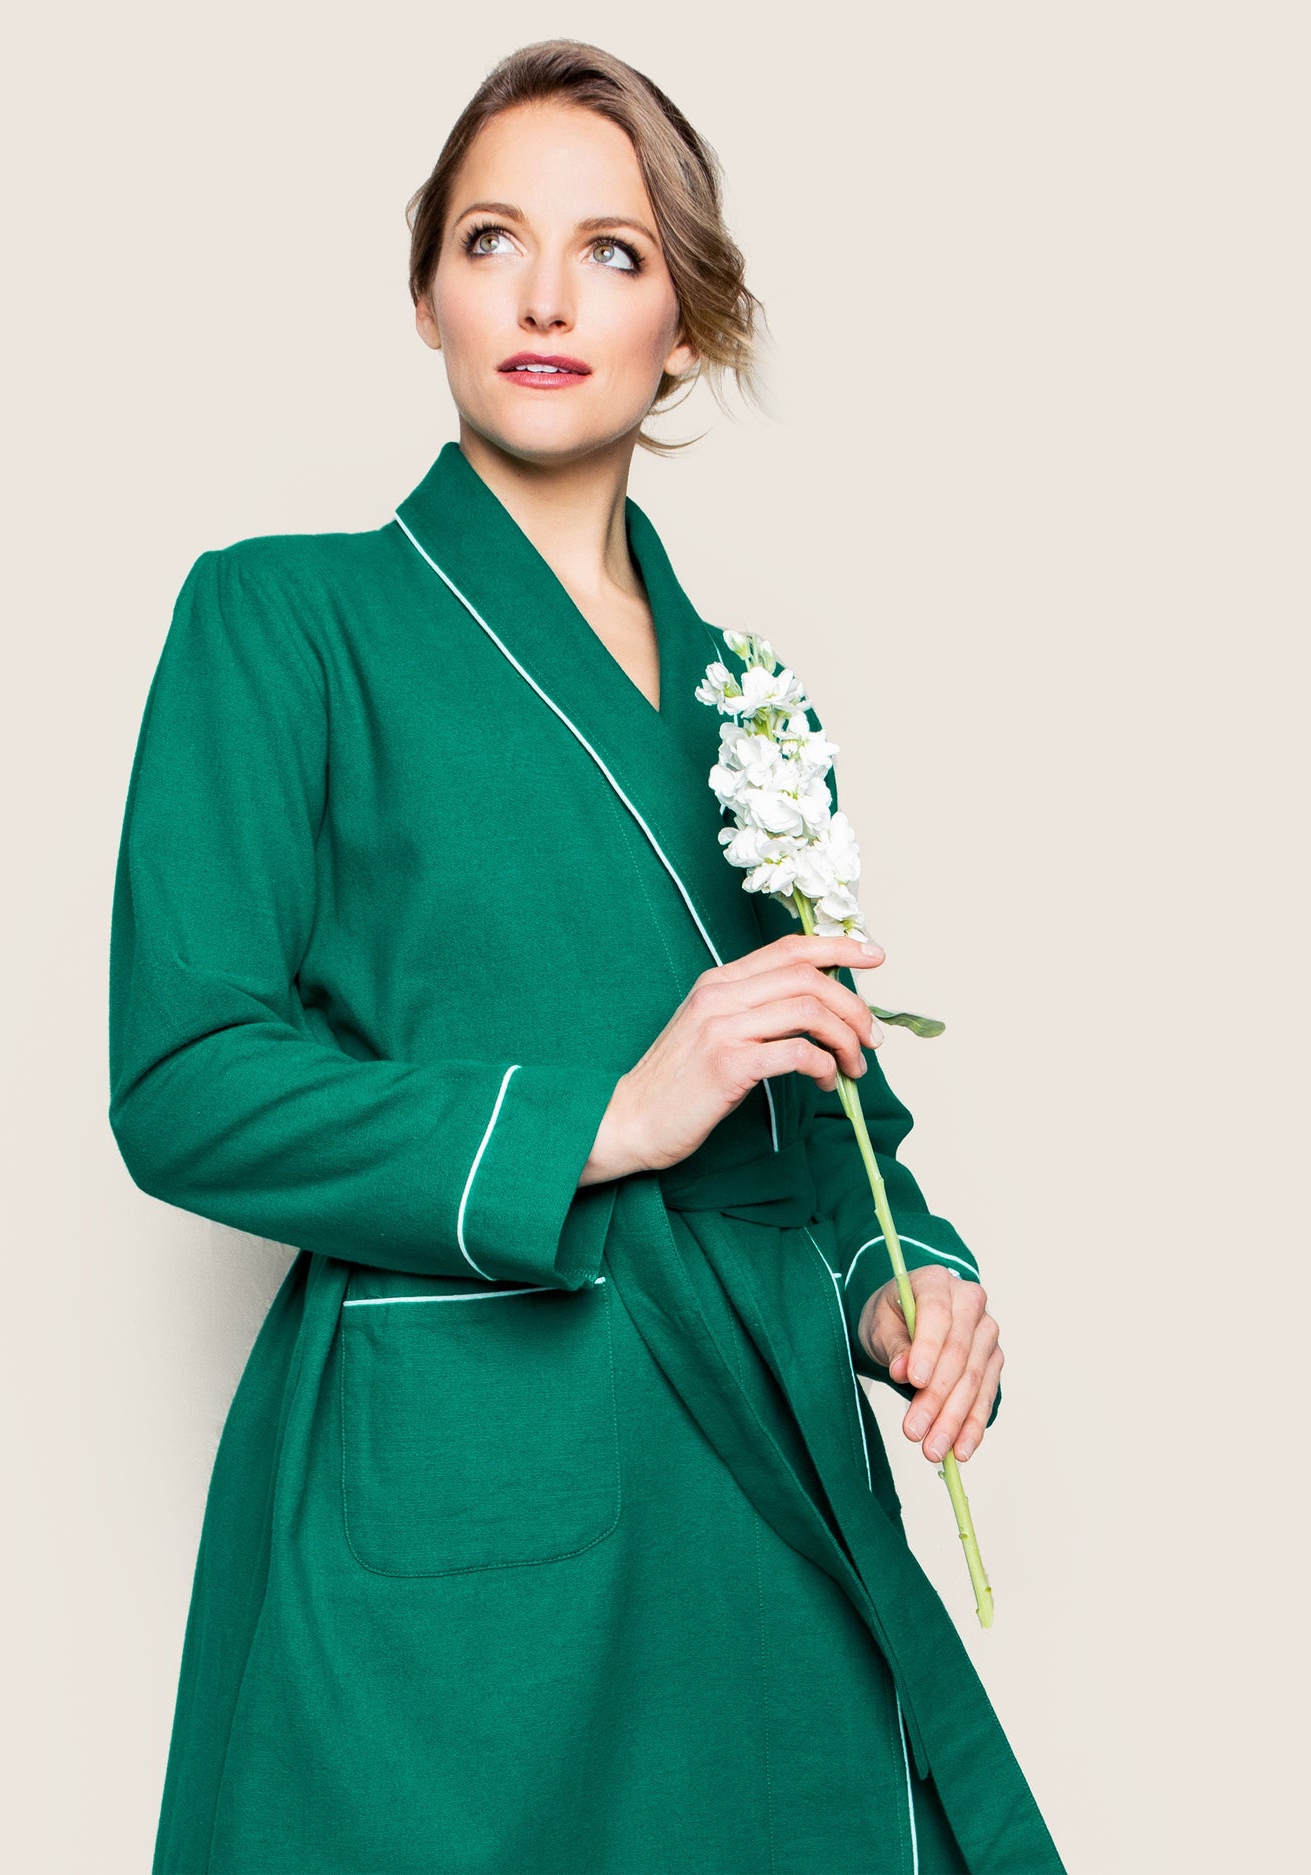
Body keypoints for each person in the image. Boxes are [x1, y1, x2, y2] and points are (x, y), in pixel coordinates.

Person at [109, 37, 1067, 1875]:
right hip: (466, 1473)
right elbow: (186, 1083)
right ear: (428, 294)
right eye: (493, 240)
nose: (546, 297)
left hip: (754, 1482)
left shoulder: (750, 708)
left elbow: (831, 1117)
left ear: (683, 325)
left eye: (612, 252)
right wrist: (606, 1118)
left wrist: (905, 1285)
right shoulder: (280, 617)